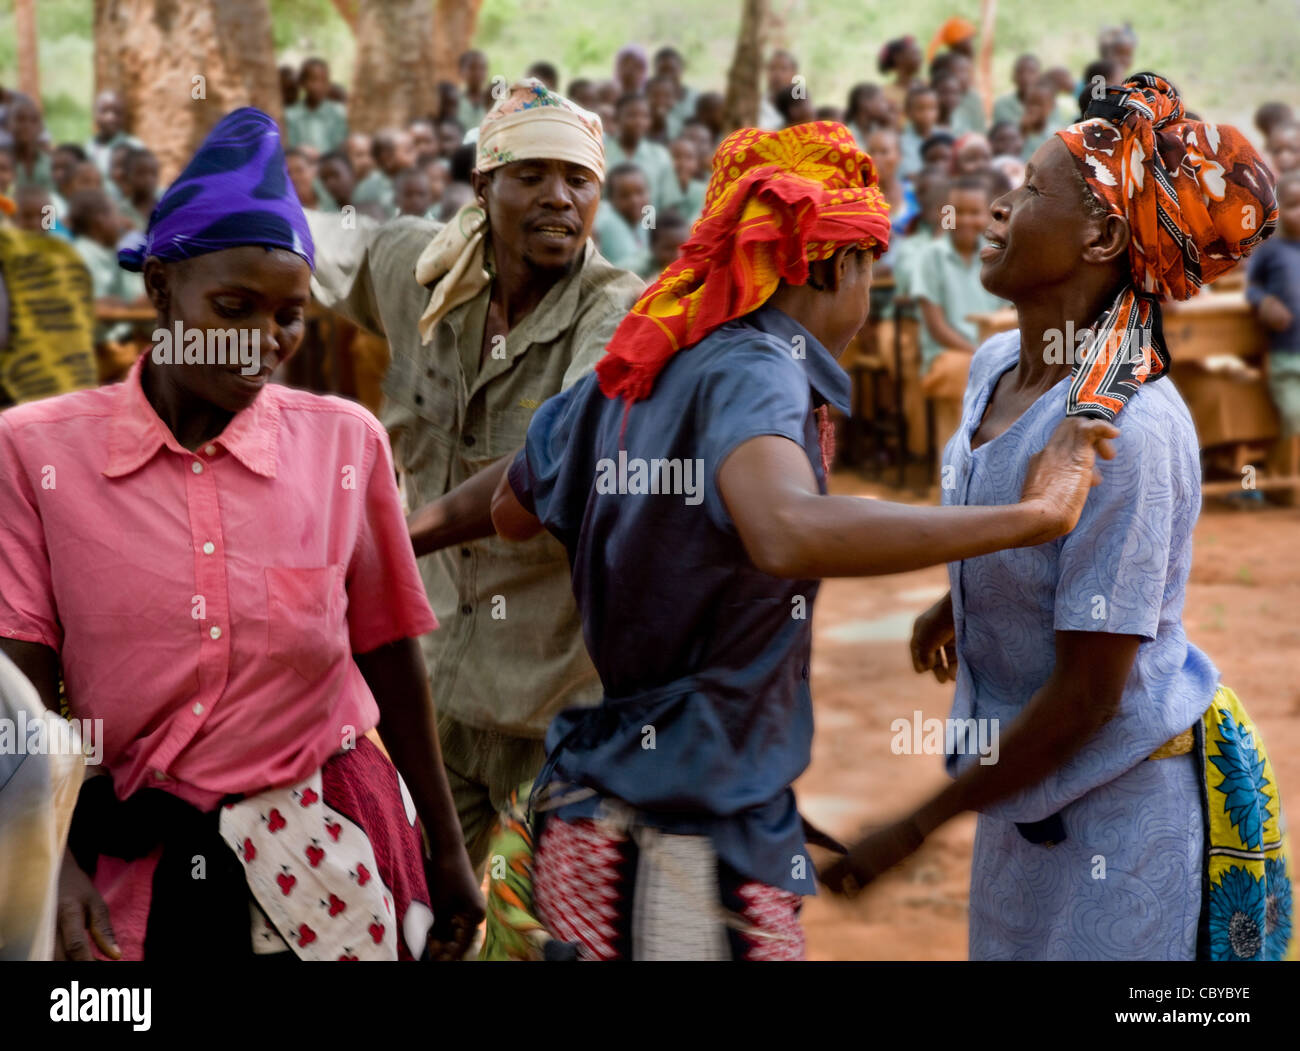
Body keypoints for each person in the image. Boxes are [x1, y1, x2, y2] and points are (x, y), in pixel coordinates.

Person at [469, 120, 1115, 960]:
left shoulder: (651, 357)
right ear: (834, 264)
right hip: (682, 837)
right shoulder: (758, 367)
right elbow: (784, 531)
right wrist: (1029, 520)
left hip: (600, 798)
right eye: (867, 268)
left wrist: (398, 529)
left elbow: (512, 498)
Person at [823, 74, 1295, 964]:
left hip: (1120, 809)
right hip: (1025, 803)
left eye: (1029, 190)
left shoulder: (1133, 432)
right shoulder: (997, 365)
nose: (997, 208)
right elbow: (1022, 531)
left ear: (1103, 235)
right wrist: (968, 600)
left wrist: (918, 825)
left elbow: (1087, 694)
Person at [0, 107, 483, 962]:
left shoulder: (345, 444)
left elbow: (387, 652)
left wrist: (447, 851)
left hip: (332, 851)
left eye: (289, 316)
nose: (263, 341)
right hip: (127, 866)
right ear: (160, 290)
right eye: (233, 307)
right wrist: (50, 862)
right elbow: (20, 687)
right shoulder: (35, 454)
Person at [304, 79, 643, 875]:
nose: (560, 198)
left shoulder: (618, 312)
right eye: (531, 176)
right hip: (433, 683)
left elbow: (550, 463)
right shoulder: (419, 267)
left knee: (547, 926)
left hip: (557, 695)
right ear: (484, 185)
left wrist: (387, 541)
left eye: (578, 180)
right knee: (426, 906)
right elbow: (304, 247)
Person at [913, 172, 1006, 376]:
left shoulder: (997, 255)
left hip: (994, 352)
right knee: (970, 374)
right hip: (947, 354)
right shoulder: (932, 255)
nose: (965, 220)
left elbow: (1006, 315)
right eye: (957, 212)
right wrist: (978, 354)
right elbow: (936, 327)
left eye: (974, 212)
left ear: (987, 216)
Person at [1248, 170, 1300, 444]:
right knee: (1294, 417)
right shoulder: (1271, 250)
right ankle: (1287, 482)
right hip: (1287, 358)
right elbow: (1252, 287)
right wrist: (1264, 302)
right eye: (1294, 205)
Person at [605, 93, 675, 214]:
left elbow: (667, 203)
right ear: (617, 118)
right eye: (632, 115)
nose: (639, 122)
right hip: (608, 225)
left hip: (649, 223)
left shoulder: (660, 155)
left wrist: (650, 228)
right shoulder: (602, 152)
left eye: (645, 116)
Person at [593, 163, 651, 276]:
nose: (635, 200)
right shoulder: (608, 221)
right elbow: (627, 273)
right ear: (611, 199)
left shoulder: (647, 212)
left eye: (640, 192)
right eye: (625, 195)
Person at [284, 57, 349, 154]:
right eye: (313, 80)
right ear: (302, 83)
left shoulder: (338, 113)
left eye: (324, 80)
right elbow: (291, 147)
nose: (318, 86)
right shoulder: (290, 115)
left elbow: (340, 146)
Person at [85, 91, 141, 177]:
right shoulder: (89, 146)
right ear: (94, 113)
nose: (111, 117)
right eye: (104, 111)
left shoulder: (134, 147)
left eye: (117, 112)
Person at [9, 98, 53, 192]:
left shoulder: (50, 163)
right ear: (9, 124)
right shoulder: (3, 162)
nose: (27, 125)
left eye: (34, 120)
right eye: (20, 119)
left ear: (41, 127)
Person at [900, 84, 940, 179]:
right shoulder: (901, 143)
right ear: (908, 112)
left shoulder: (944, 138)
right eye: (920, 109)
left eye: (932, 108)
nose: (927, 114)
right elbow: (906, 174)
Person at [879, 36, 924, 121]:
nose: (920, 58)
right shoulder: (885, 93)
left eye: (920, 54)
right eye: (915, 54)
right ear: (898, 58)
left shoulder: (927, 84)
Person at [991, 53, 1041, 130]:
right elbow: (1003, 133)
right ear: (1013, 76)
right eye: (1020, 72)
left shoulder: (1049, 104)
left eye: (1031, 72)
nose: (1025, 77)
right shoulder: (1002, 104)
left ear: (1040, 76)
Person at [118, 146, 160, 230]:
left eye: (153, 173)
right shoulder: (120, 212)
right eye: (141, 173)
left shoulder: (166, 206)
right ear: (127, 177)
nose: (148, 179)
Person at [760, 49, 798, 131]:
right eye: (772, 68)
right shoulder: (756, 104)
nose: (777, 74)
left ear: (794, 73)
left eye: (783, 69)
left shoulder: (801, 106)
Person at [457, 50, 492, 130]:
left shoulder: (492, 99)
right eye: (472, 68)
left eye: (482, 68)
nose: (477, 73)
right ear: (461, 71)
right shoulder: (454, 101)